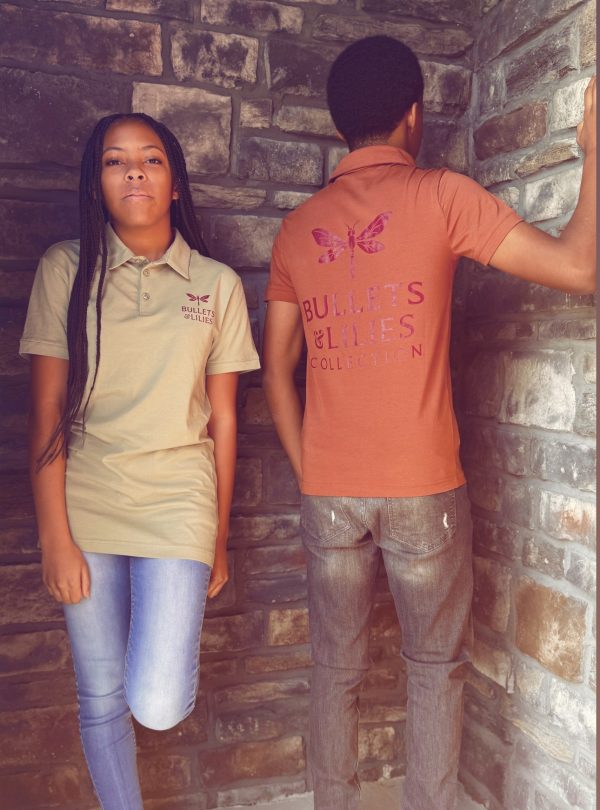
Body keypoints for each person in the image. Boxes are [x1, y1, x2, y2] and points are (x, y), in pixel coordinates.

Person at [262, 36, 595, 810]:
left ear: (338, 125)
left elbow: (275, 367)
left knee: (334, 669)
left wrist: (312, 469)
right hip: (423, 488)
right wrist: (593, 148)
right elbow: (580, 268)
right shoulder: (442, 196)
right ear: (413, 116)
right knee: (435, 669)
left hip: (330, 491)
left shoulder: (298, 227)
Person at [20, 112, 260, 809]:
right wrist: (54, 538)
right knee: (100, 694)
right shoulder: (65, 269)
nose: (133, 171)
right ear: (96, 182)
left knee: (155, 701)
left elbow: (223, 420)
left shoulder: (215, 284)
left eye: (151, 159)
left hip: (179, 503)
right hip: (88, 502)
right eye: (114, 160)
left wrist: (217, 539)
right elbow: (45, 410)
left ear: (175, 183)